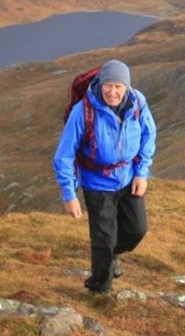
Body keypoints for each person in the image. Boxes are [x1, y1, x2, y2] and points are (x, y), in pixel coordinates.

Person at [53, 59, 157, 295]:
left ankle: (112, 256)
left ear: (127, 87)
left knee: (136, 230)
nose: (113, 91)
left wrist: (142, 173)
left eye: (119, 86)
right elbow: (63, 155)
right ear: (100, 84)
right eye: (108, 85)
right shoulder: (84, 111)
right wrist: (69, 195)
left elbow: (149, 135)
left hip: (128, 177)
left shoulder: (137, 103)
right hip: (97, 183)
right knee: (103, 239)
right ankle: (100, 288)